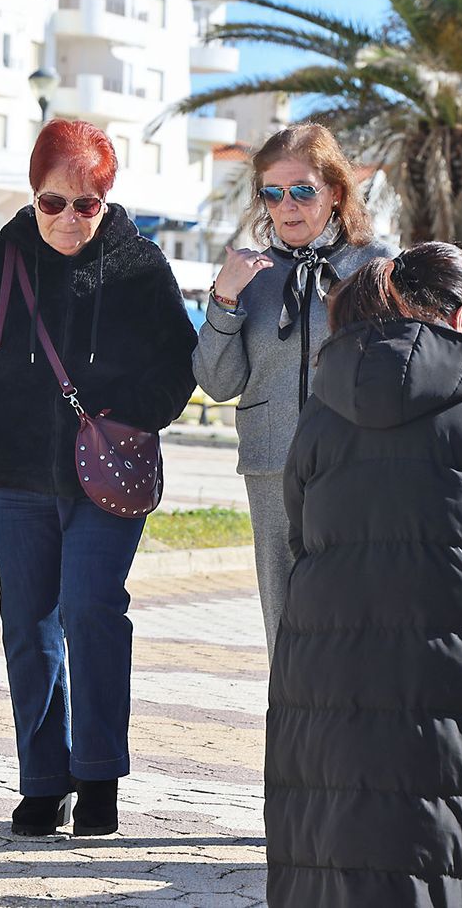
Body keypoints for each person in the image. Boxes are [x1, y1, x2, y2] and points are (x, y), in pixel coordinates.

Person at [266, 242, 462, 907]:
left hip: (329, 654)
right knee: (460, 831)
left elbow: (300, 527)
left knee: (336, 829)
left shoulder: (325, 399)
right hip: (461, 654)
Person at [0, 119, 197, 839]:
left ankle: (99, 774)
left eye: (87, 205)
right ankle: (44, 782)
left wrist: (132, 414)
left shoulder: (140, 269)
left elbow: (181, 361)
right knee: (28, 622)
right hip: (13, 476)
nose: (71, 220)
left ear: (106, 199)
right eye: (54, 203)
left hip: (108, 476)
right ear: (33, 194)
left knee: (91, 608)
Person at [192, 123, 392, 655]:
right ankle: (289, 731)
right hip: (271, 464)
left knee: (352, 615)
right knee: (282, 620)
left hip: (355, 466)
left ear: (335, 192)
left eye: (303, 190)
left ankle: (349, 732)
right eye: (273, 193)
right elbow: (217, 381)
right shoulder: (247, 274)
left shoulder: (375, 269)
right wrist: (225, 301)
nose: (288, 206)